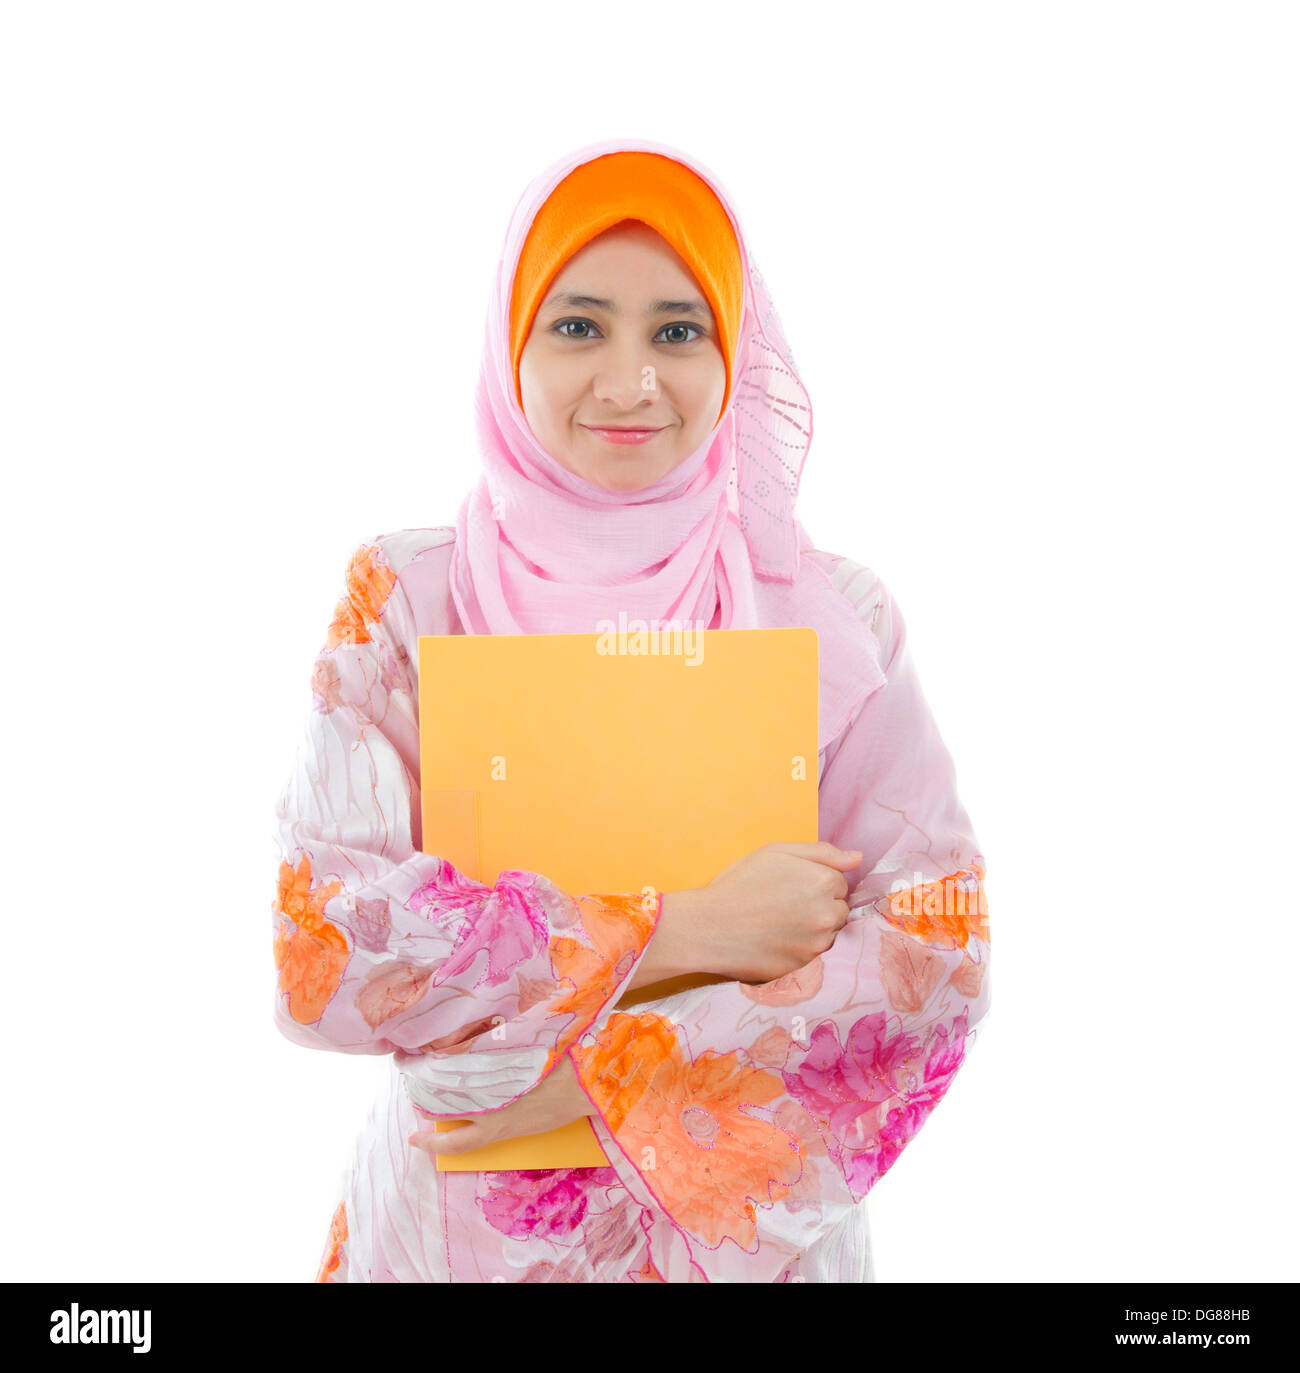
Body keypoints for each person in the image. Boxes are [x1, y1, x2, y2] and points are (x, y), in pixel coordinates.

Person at [271, 137, 992, 1284]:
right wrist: (683, 926)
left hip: (744, 1248)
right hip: (459, 1227)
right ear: (513, 337)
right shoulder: (407, 598)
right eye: (577, 324)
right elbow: (323, 944)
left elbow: (935, 948)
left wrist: (605, 1080)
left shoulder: (831, 612)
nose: (628, 380)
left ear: (733, 347)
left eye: (676, 328)